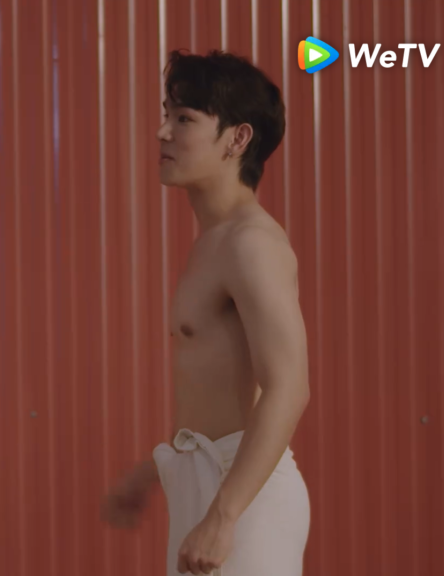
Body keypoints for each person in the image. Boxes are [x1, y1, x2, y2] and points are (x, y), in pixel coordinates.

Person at [102, 49, 311, 575]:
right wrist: (152, 474)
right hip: (212, 488)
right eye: (166, 114)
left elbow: (289, 388)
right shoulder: (215, 241)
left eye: (184, 119)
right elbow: (222, 392)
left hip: (245, 502)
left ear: (237, 139)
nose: (162, 132)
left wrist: (224, 515)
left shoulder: (250, 243)